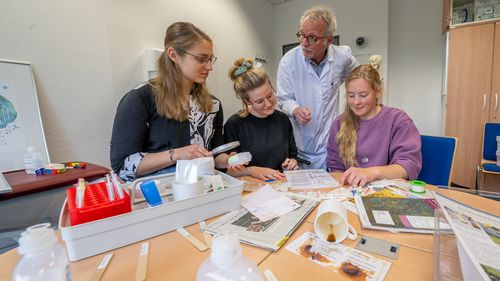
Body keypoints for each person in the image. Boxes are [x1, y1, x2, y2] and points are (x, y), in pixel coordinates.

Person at [110, 22, 233, 181]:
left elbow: (214, 154)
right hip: (160, 198)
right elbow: (122, 166)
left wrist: (229, 161)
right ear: (173, 55)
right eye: (201, 59)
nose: (209, 67)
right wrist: (176, 154)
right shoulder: (140, 99)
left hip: (202, 191)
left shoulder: (213, 105)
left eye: (210, 59)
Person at [277, 5, 356, 170]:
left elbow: (354, 77)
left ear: (329, 40)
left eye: (312, 38)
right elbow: (283, 99)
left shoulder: (342, 57)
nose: (304, 43)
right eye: (302, 35)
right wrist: (295, 109)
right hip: (303, 143)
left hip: (333, 142)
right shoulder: (288, 62)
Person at [326, 64, 422, 187]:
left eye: (363, 95)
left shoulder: (398, 120)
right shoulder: (339, 124)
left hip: (387, 192)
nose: (356, 102)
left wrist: (373, 172)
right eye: (351, 95)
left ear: (377, 92)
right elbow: (336, 169)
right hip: (351, 191)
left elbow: (408, 166)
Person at [224, 58, 298, 181]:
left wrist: (291, 162)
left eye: (270, 96)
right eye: (259, 101)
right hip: (251, 189)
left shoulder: (283, 120)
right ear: (247, 101)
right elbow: (228, 171)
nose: (268, 104)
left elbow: (292, 155)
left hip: (280, 185)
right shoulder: (235, 124)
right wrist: (253, 171)